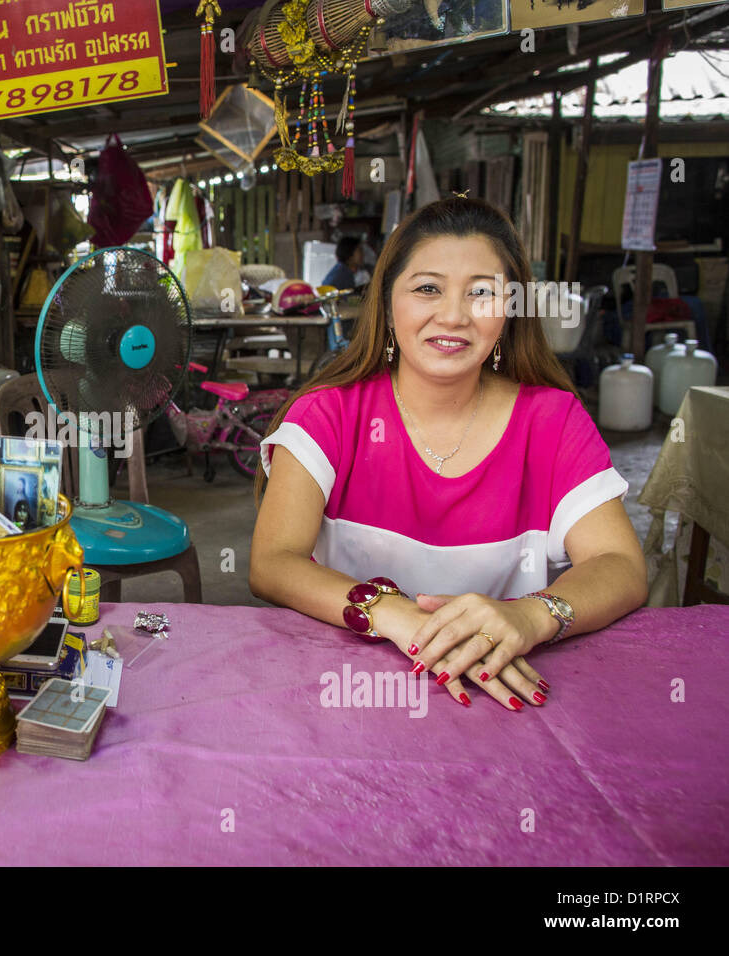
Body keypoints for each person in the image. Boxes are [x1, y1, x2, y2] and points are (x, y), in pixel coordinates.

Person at [251, 197, 647, 712]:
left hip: (497, 706)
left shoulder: (553, 421)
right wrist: (396, 616)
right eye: (428, 288)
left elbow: (620, 564)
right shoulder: (328, 416)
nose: (455, 315)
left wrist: (531, 616)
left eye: (482, 293)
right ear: (388, 305)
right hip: (342, 696)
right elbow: (271, 563)